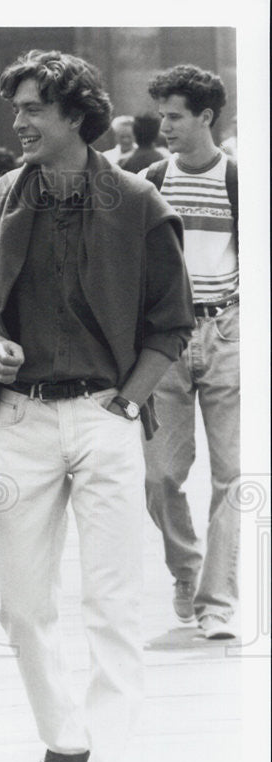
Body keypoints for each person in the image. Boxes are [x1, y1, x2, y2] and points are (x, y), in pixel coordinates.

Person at [0, 50, 194, 762]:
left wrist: (129, 399)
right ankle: (66, 740)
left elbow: (173, 320)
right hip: (24, 422)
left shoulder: (136, 203)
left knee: (113, 604)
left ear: (76, 115)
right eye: (17, 109)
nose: (21, 123)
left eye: (35, 108)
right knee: (21, 607)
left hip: (105, 414)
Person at [141, 65, 240, 640]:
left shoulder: (241, 181)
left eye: (175, 115)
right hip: (167, 344)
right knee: (160, 476)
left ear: (205, 117)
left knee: (234, 474)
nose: (165, 125)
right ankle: (186, 571)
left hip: (229, 333)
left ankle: (217, 602)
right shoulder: (152, 180)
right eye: (162, 115)